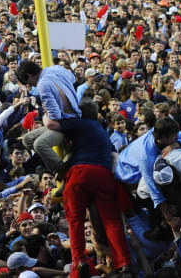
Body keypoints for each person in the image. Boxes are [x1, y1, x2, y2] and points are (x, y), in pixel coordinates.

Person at [47, 99, 132, 275]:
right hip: (103, 175)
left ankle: (79, 261)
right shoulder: (102, 131)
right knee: (112, 221)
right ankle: (123, 262)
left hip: (80, 173)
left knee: (76, 220)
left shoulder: (79, 123)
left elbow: (51, 124)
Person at [17, 60, 81, 174]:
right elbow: (73, 78)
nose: (30, 86)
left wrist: (45, 115)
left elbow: (54, 116)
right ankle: (49, 166)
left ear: (29, 75)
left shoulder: (42, 84)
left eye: (28, 82)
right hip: (66, 119)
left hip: (67, 124)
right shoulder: (56, 68)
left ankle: (64, 172)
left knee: (39, 144)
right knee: (27, 140)